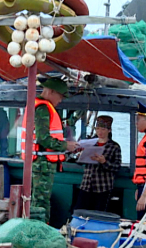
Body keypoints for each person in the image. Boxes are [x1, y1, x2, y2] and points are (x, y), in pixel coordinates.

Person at [18, 77, 80, 224]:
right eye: (60, 96)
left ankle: (35, 228)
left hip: (40, 163)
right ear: (51, 92)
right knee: (41, 202)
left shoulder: (38, 106)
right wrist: (66, 146)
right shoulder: (43, 108)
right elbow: (43, 138)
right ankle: (39, 231)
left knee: (38, 199)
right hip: (42, 164)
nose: (61, 100)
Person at [76, 115, 122, 213]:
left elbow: (117, 167)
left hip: (102, 187)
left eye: (103, 129)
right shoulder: (89, 143)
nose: (99, 132)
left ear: (109, 130)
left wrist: (104, 162)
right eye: (97, 129)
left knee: (99, 214)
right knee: (80, 212)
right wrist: (80, 154)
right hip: (86, 185)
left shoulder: (114, 147)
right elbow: (79, 162)